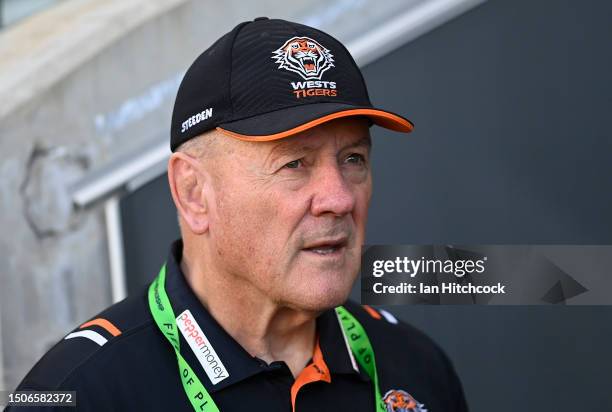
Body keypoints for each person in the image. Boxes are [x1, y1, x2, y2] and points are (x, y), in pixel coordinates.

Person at [5, 18, 468, 412]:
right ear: (193, 193)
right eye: (294, 164)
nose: (339, 199)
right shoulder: (78, 391)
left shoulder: (413, 364)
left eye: (353, 160)